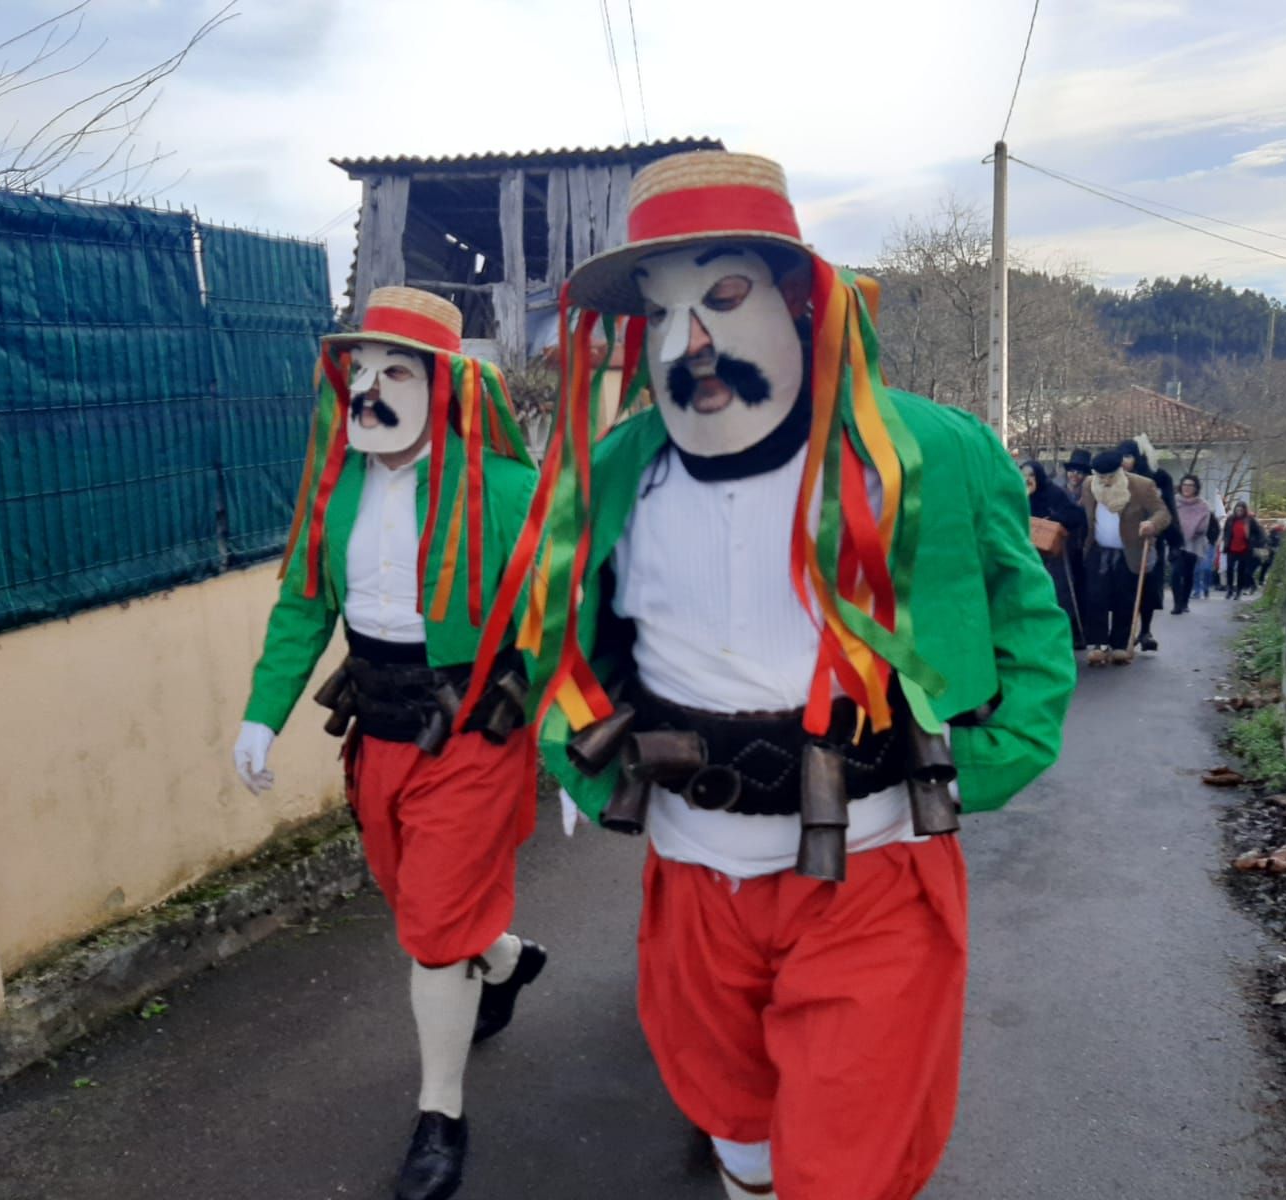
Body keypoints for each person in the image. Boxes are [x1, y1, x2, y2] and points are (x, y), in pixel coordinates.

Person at [478, 151, 1075, 1200]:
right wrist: (583, 771)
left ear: (799, 299)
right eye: (661, 312)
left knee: (845, 1163)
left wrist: (987, 761)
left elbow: (1028, 614)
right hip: (692, 874)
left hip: (874, 874)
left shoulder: (928, 451)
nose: (689, 342)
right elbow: (551, 638)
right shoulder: (613, 470)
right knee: (736, 1128)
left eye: (722, 294)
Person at [231, 288, 544, 1200]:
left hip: (475, 737)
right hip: (379, 733)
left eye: (396, 370)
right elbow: (302, 604)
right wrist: (263, 710)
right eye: (360, 367)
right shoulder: (334, 487)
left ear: (443, 388)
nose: (371, 386)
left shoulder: (508, 492)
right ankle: (509, 961)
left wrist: (571, 744)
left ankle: (439, 1115)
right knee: (418, 903)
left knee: (434, 930)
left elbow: (561, 623)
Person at [1079, 449, 1172, 665]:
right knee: (1096, 597)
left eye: (1110, 476)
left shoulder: (1141, 486)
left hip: (1129, 551)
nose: (1106, 481)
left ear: (1120, 471)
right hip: (1098, 550)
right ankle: (1099, 644)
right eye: (1101, 477)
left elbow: (1163, 513)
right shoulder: (1089, 485)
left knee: (1125, 598)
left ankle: (1120, 645)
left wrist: (1152, 524)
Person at [1116, 437, 1180, 652]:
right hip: (1124, 542)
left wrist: (1174, 540)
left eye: (1129, 456)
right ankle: (1127, 633)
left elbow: (1168, 508)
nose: (1125, 461)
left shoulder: (1158, 478)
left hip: (1150, 541)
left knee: (1149, 588)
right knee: (1126, 590)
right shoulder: (1115, 480)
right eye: (1122, 456)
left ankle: (1145, 630)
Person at [1023, 459, 1087, 648]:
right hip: (1026, 553)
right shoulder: (1017, 494)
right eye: (1023, 475)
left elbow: (1076, 516)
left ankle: (1068, 634)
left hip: (1052, 554)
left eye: (1031, 475)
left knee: (1059, 594)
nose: (1027, 479)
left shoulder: (1054, 493)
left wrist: (1054, 519)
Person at [1169, 474, 1218, 614]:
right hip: (1177, 542)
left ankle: (1185, 602)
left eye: (1190, 485)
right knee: (1175, 572)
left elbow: (1204, 525)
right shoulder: (1174, 502)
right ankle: (1177, 603)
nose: (1187, 488)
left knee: (1188, 573)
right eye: (1185, 485)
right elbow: (1169, 520)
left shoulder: (1202, 505)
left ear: (1196, 488)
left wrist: (1191, 530)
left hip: (1194, 543)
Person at [1223, 500, 1265, 598]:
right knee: (1229, 568)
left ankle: (1238, 590)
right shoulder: (1230, 519)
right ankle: (1229, 589)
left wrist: (1254, 542)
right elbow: (1226, 532)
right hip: (1231, 547)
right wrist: (1225, 541)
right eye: (1237, 510)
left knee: (1241, 570)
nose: (1239, 512)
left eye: (1241, 510)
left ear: (1244, 510)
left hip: (1244, 549)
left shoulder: (1249, 520)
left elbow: (1259, 533)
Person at [1255, 522, 1283, 588]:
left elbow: (1268, 542)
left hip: (1269, 552)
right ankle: (1263, 581)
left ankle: (1261, 581)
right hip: (1271, 552)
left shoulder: (1273, 532)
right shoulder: (1277, 533)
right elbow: (1273, 542)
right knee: (1268, 567)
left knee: (1265, 567)